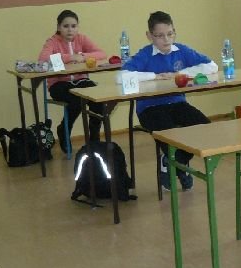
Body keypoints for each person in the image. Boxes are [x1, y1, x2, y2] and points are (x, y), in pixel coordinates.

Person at [119, 11, 218, 192]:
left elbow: (211, 66)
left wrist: (180, 73)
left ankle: (172, 163)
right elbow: (122, 76)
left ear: (174, 32)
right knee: (170, 135)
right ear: (149, 36)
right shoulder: (145, 54)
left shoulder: (181, 50)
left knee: (205, 128)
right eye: (160, 36)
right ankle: (179, 165)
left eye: (170, 34)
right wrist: (154, 76)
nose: (166, 40)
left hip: (177, 103)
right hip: (150, 108)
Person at [38, 10, 107, 151]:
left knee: (98, 99)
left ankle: (94, 138)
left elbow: (101, 54)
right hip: (58, 84)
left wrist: (83, 56)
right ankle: (64, 130)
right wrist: (71, 57)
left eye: (73, 26)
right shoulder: (52, 41)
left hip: (81, 80)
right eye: (66, 26)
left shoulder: (82, 39)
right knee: (77, 99)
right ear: (59, 27)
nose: (70, 30)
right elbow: (43, 59)